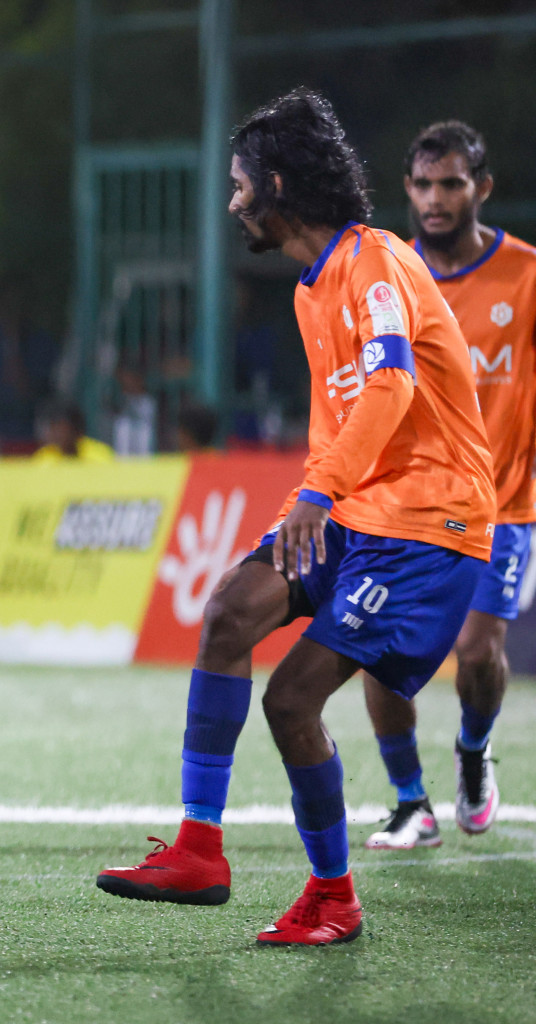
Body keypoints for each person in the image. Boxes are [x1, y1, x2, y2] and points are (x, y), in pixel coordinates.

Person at [94, 89, 496, 945]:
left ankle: (334, 899)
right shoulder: (314, 291)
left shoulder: (375, 260)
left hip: (428, 528)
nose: (233, 200)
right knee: (230, 610)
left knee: (291, 700)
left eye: (241, 185)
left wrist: (319, 498)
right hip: (356, 514)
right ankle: (200, 849)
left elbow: (391, 384)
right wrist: (300, 512)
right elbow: (334, 435)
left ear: (276, 186)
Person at [362, 122, 536, 849]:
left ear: (481, 188)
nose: (436, 199)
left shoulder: (526, 275)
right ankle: (411, 802)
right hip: (406, 505)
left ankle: (473, 750)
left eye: (452, 184)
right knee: (372, 648)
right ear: (407, 188)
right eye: (424, 184)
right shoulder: (390, 275)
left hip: (502, 505)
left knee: (475, 652)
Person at [31, 402, 113, 462]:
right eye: (53, 428)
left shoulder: (100, 454)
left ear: (76, 429)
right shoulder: (44, 457)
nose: (56, 434)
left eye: (60, 428)